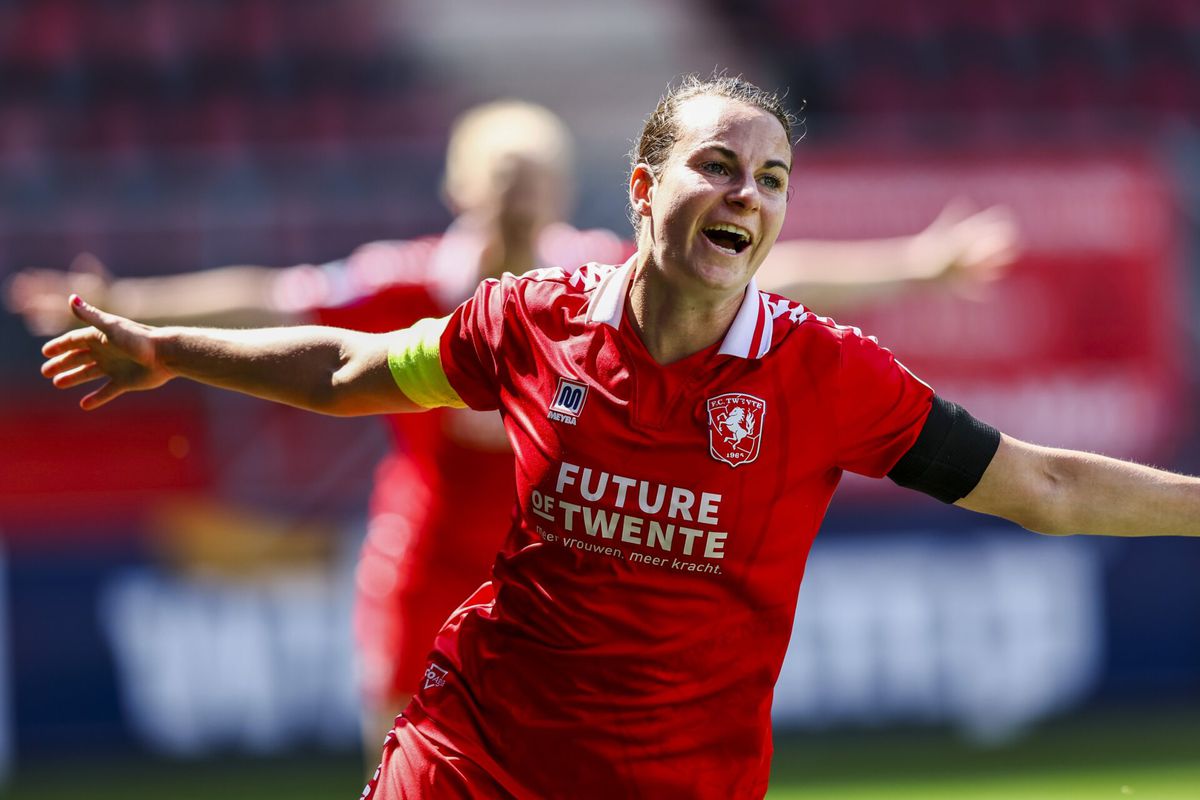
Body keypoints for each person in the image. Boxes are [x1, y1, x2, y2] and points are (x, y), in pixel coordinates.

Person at [33, 76, 1083, 798]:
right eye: (503, 190)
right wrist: (146, 314)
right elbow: (296, 321)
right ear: (462, 192)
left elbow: (784, 284)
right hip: (432, 570)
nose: (522, 209)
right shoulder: (451, 290)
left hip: (578, 597)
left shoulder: (619, 285)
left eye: (535, 189)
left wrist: (915, 264)